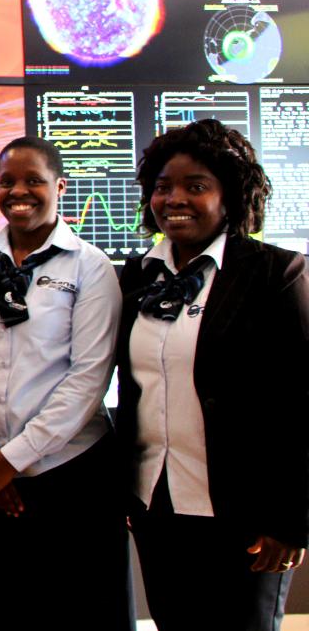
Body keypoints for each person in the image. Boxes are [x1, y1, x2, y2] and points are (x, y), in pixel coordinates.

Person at [115, 119, 309, 631]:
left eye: (195, 186)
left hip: (247, 517)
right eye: (162, 187)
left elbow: (301, 402)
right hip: (156, 507)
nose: (174, 198)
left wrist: (291, 521)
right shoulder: (135, 278)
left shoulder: (277, 274)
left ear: (231, 196)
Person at [0, 136, 130, 631]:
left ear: (60, 186)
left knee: (75, 611)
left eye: (33, 181)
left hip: (71, 474)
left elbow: (88, 380)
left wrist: (13, 459)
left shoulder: (90, 267)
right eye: (7, 182)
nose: (18, 191)